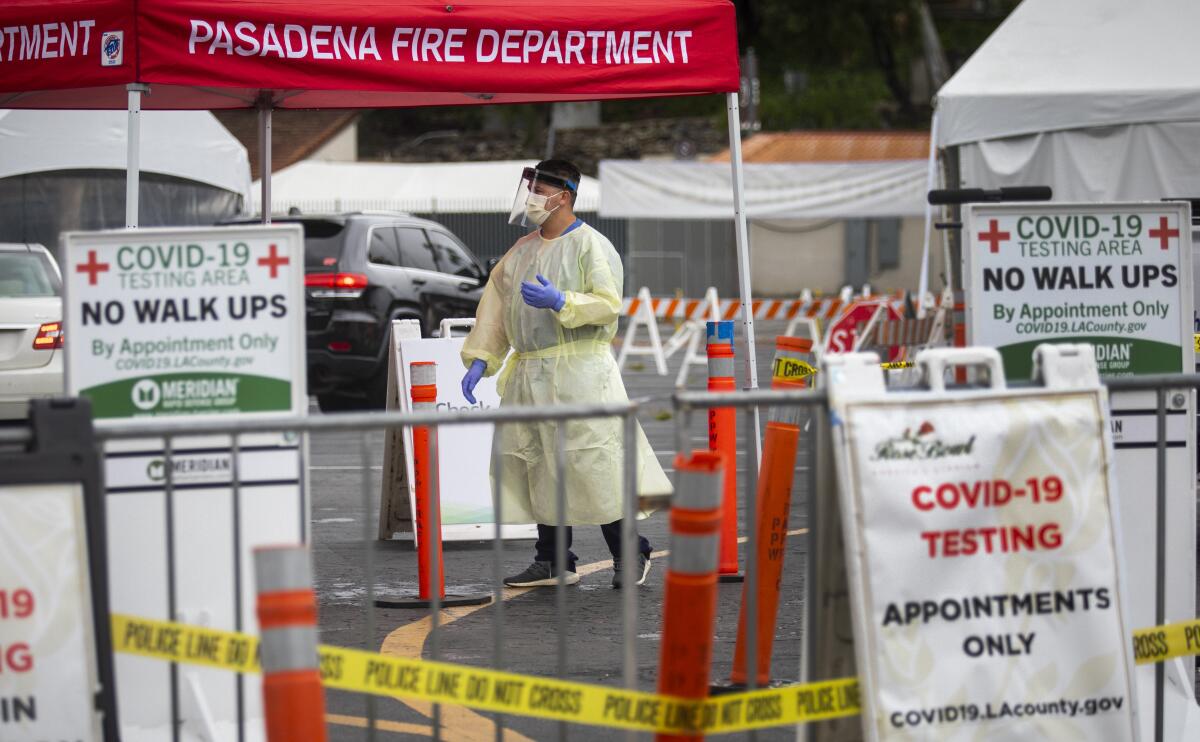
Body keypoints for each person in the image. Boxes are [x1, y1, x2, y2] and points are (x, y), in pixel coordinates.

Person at [460, 159, 672, 588]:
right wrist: (482, 356)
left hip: (581, 371)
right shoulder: (520, 251)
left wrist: (563, 302)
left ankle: (631, 550)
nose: (533, 196)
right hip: (531, 371)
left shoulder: (591, 245)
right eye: (532, 187)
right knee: (539, 464)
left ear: (565, 194)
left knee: (594, 465)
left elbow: (609, 303)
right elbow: (496, 309)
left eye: (541, 187)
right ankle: (554, 560)